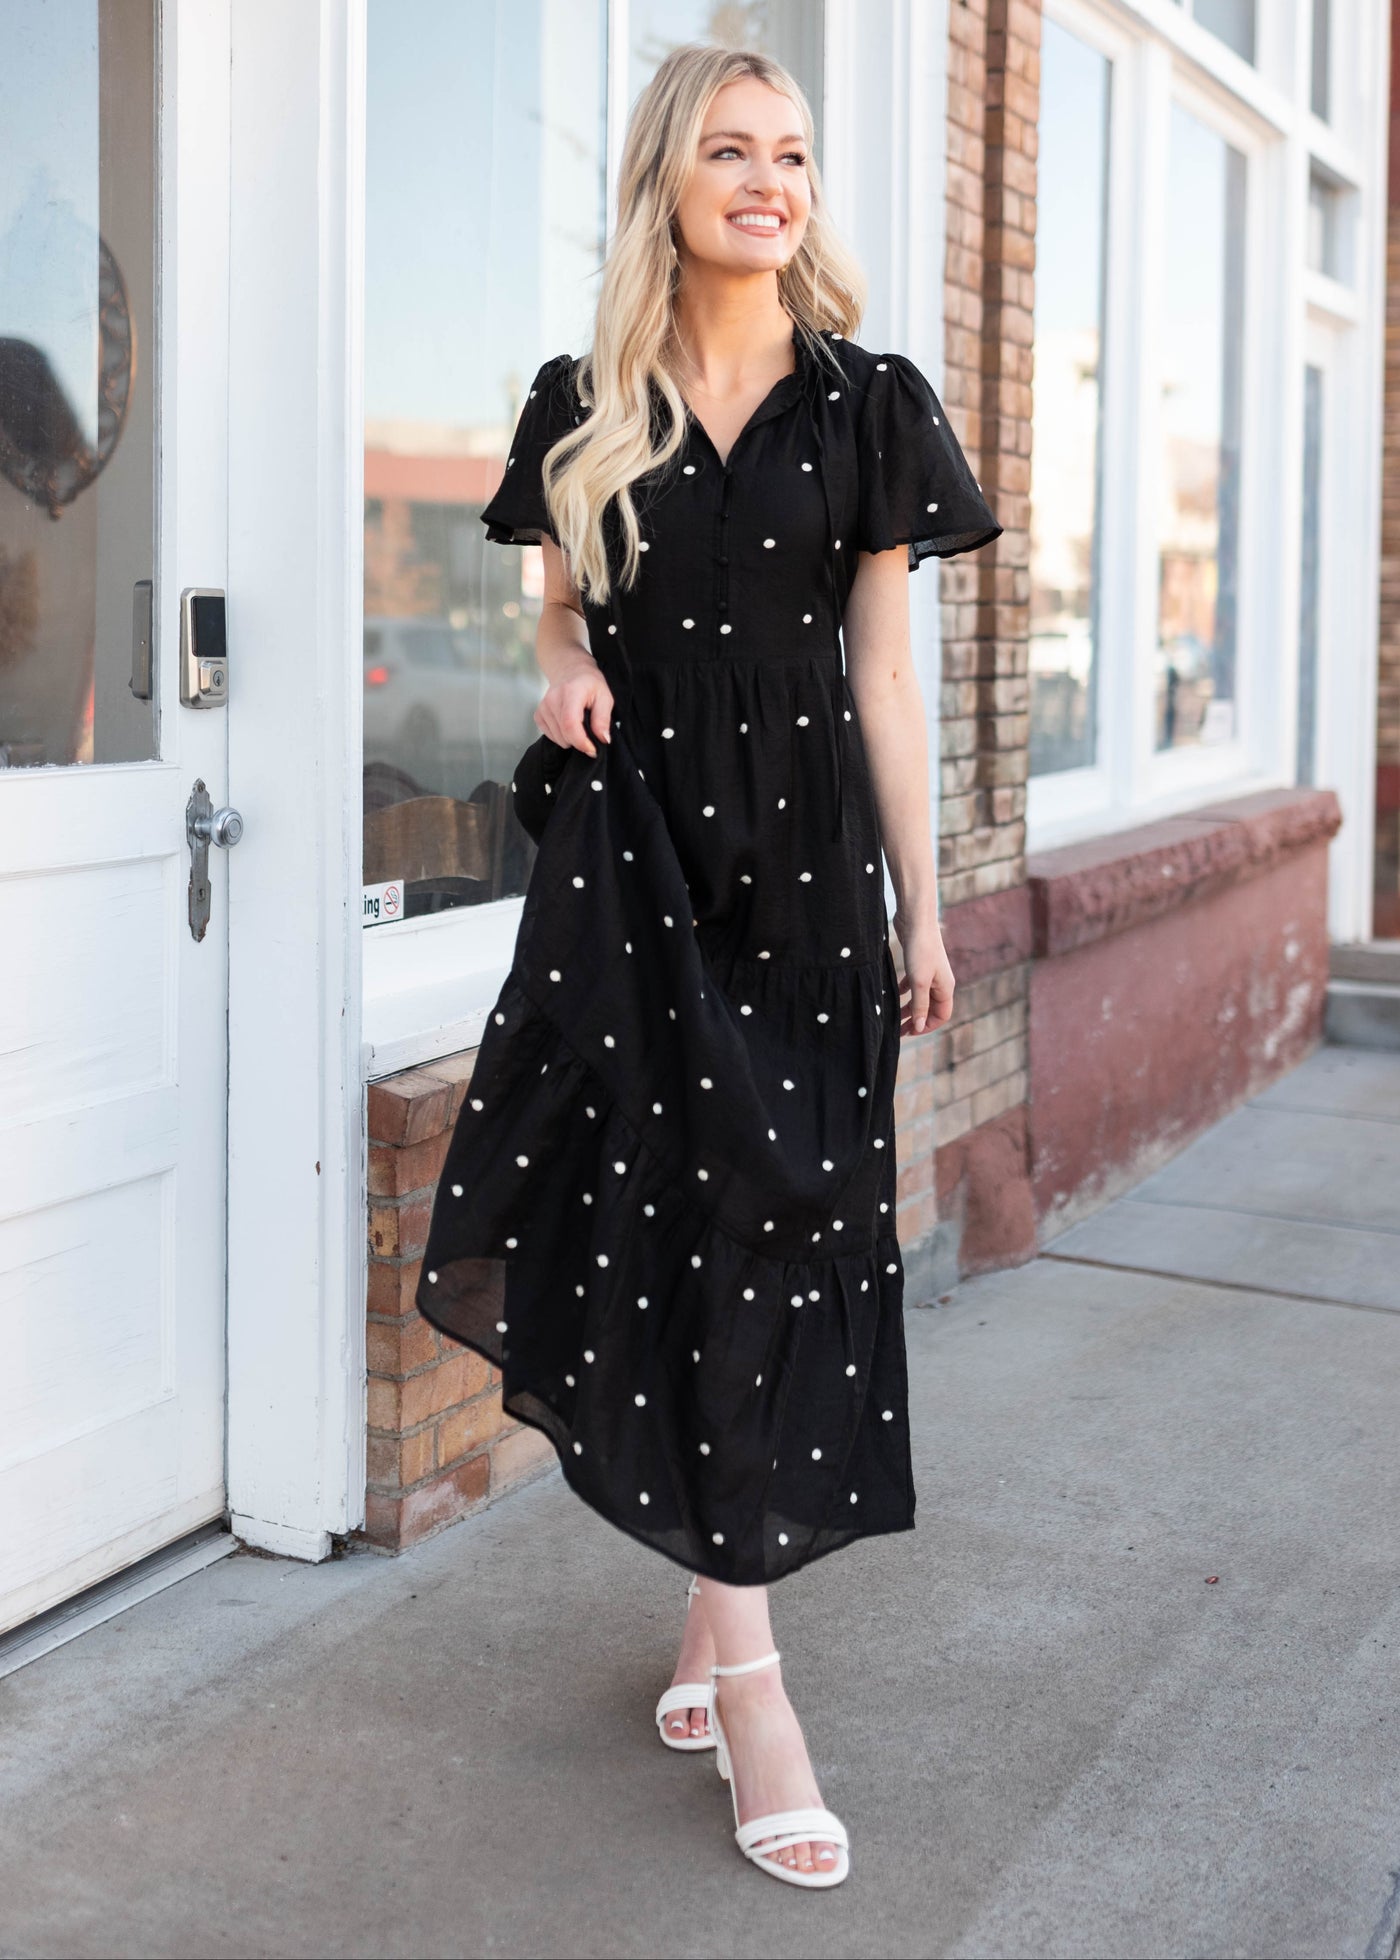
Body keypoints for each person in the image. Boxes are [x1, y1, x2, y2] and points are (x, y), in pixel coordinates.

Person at [416, 41, 1002, 1890]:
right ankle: (754, 1680)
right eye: (734, 151)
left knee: (790, 1222)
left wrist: (927, 904)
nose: (771, 181)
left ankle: (711, 1614)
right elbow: (562, 599)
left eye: (797, 155)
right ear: (670, 177)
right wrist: (565, 660)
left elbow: (886, 680)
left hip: (811, 873)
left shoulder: (871, 402)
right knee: (674, 1221)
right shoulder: (584, 395)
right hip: (642, 866)